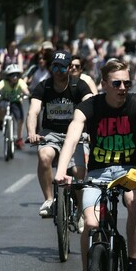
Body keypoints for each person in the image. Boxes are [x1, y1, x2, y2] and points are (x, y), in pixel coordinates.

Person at [54, 59, 136, 271]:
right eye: (116, 83)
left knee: (135, 204)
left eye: (127, 83)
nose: (123, 87)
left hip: (131, 170)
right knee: (90, 224)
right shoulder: (90, 106)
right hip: (98, 173)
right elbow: (73, 134)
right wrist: (61, 171)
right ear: (104, 85)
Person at [26, 50, 94, 218]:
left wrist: (93, 131)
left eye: (62, 69)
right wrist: (32, 132)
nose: (58, 72)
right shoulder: (44, 86)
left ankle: (81, 212)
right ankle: (49, 200)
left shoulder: (79, 86)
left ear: (69, 69)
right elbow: (33, 112)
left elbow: (91, 106)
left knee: (79, 171)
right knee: (44, 157)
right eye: (55, 67)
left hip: (76, 135)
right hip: (51, 134)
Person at [0, 64, 31, 149]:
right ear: (8, 76)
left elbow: (25, 90)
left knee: (20, 119)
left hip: (16, 102)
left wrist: (28, 94)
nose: (15, 77)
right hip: (5, 100)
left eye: (17, 75)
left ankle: (19, 139)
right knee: (1, 108)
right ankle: (0, 122)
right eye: (12, 75)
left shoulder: (20, 82)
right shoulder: (4, 82)